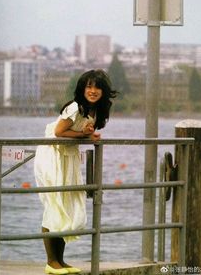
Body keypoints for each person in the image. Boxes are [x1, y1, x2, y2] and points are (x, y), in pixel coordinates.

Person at [34, 69, 117, 275]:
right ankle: (51, 262)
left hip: (68, 156)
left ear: (103, 91)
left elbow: (78, 134)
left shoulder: (94, 110)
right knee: (55, 205)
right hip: (52, 155)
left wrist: (87, 134)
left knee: (67, 206)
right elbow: (59, 132)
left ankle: (61, 261)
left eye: (97, 87)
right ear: (82, 88)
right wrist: (84, 135)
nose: (93, 90)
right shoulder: (75, 107)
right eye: (89, 86)